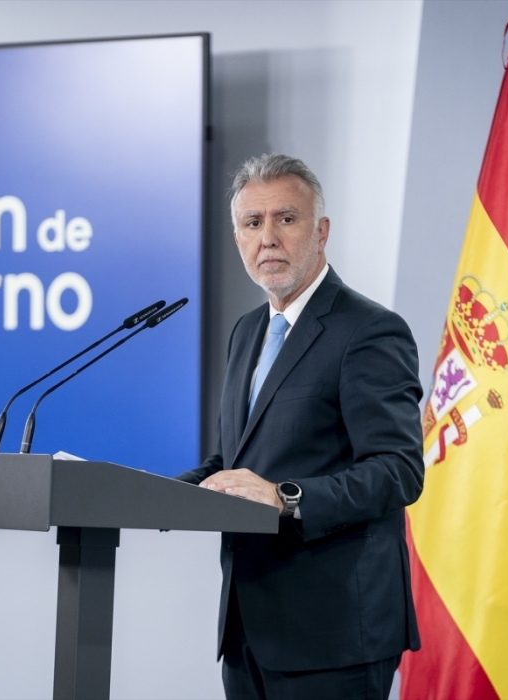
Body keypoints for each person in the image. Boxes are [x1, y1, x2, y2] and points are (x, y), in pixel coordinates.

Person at [176, 154, 425, 700]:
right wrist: (157, 493)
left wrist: (285, 498)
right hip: (248, 628)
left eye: (286, 218)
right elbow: (233, 462)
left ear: (321, 231)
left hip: (334, 633)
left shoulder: (369, 330)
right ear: (238, 238)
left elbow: (398, 471)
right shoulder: (247, 332)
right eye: (252, 223)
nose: (268, 237)